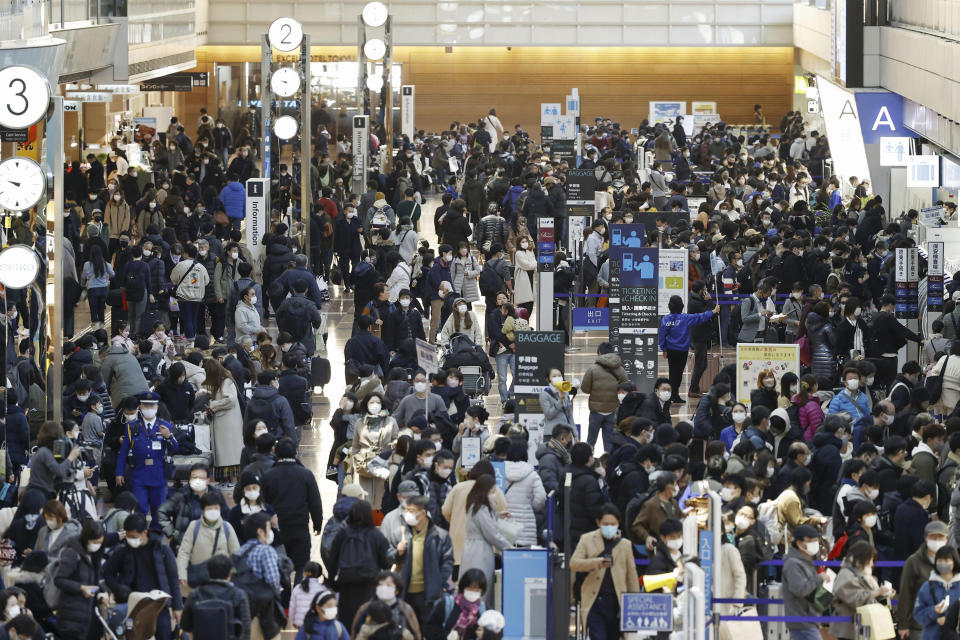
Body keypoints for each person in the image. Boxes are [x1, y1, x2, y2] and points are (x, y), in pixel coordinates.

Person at [103, 513, 182, 640]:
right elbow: (107, 573)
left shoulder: (161, 549)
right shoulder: (123, 551)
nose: (129, 540)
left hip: (158, 605)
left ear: (144, 532)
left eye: (133, 536)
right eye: (127, 536)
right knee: (131, 635)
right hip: (132, 606)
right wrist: (118, 588)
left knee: (164, 634)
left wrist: (177, 606)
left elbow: (173, 578)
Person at [570, 503, 640, 640]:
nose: (609, 527)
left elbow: (631, 575)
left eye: (613, 523)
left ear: (618, 523)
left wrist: (634, 603)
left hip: (617, 602)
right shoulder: (587, 539)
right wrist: (596, 563)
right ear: (598, 522)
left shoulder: (625, 545)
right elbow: (574, 564)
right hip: (594, 600)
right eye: (606, 523)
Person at [262, 438, 324, 581]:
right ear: (295, 453)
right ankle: (298, 592)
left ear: (276, 453)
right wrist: (317, 523)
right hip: (299, 527)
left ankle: (285, 596)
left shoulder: (268, 476)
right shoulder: (306, 474)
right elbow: (315, 501)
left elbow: (264, 503)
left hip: (276, 529)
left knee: (280, 566)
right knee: (302, 565)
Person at [324, 500, 391, 631]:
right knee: (367, 621)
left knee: (347, 622)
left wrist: (332, 582)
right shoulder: (375, 535)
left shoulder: (343, 534)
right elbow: (386, 561)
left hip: (346, 585)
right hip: (369, 585)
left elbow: (332, 560)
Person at [115, 394, 179, 522]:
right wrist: (119, 473)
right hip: (139, 474)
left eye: (152, 405)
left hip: (158, 474)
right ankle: (140, 536)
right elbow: (123, 452)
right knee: (140, 509)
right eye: (146, 405)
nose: (149, 408)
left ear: (157, 407)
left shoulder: (165, 426)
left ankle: (156, 538)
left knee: (159, 510)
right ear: (140, 407)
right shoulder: (132, 427)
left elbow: (175, 449)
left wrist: (169, 437)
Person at [395, 495, 454, 620]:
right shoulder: (401, 533)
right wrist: (397, 552)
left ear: (423, 513)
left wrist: (440, 583)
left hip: (429, 594)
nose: (407, 514)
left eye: (411, 511)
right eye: (406, 511)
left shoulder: (440, 536)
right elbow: (389, 557)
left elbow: (447, 561)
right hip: (406, 593)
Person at [460, 475, 513, 608]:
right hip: (480, 552)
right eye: (492, 491)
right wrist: (509, 547)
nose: (493, 494)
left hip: (472, 550)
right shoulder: (481, 509)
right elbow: (491, 534)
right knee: (481, 587)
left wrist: (498, 515)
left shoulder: (475, 505)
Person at [659, 294, 719, 402]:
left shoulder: (665, 319)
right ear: (681, 306)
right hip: (682, 351)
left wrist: (664, 349)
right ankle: (674, 395)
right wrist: (713, 311)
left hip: (671, 351)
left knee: (673, 372)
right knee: (679, 373)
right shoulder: (685, 318)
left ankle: (673, 395)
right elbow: (700, 316)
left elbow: (662, 335)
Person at [157, 463, 229, 552]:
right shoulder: (181, 494)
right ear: (190, 479)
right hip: (184, 545)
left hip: (211, 544)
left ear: (208, 480)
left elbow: (227, 517)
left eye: (202, 478)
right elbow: (162, 512)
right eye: (194, 477)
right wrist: (172, 534)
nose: (198, 481)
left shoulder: (216, 494)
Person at [829, 541, 893, 640]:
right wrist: (877, 592)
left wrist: (884, 595)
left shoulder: (864, 575)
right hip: (849, 629)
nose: (872, 564)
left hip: (863, 627)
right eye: (870, 559)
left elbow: (871, 598)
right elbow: (856, 599)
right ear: (861, 558)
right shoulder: (846, 574)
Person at [53, 519, 106, 639]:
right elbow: (59, 579)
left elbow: (92, 583)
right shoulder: (72, 552)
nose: (97, 545)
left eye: (100, 542)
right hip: (71, 616)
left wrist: (102, 592)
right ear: (86, 538)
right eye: (94, 542)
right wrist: (81, 588)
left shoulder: (93, 556)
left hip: (89, 616)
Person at [176, 492, 240, 590]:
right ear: (203, 510)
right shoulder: (194, 526)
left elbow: (236, 554)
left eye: (216, 508)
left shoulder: (227, 527)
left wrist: (234, 576)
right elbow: (184, 552)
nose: (213, 511)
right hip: (199, 580)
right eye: (210, 508)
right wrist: (182, 574)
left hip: (222, 581)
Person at [181, 554, 251, 640]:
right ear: (230, 574)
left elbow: (185, 625)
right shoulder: (238, 594)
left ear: (208, 572)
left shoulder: (195, 594)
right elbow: (245, 629)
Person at [900, 521, 950, 639]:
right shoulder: (913, 561)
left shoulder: (953, 560)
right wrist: (903, 624)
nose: (937, 540)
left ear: (947, 539)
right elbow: (905, 593)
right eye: (933, 537)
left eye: (940, 537)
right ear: (926, 538)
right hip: (920, 625)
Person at [580, 342, 628, 453]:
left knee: (591, 442)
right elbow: (627, 389)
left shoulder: (592, 369)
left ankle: (588, 464)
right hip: (612, 411)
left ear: (599, 353)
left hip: (596, 412)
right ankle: (609, 465)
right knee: (609, 443)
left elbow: (585, 390)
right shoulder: (620, 370)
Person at [783, 524, 829, 640]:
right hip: (801, 621)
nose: (815, 545)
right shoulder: (793, 564)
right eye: (811, 541)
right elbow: (800, 590)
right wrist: (819, 578)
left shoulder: (806, 561)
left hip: (809, 620)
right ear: (799, 543)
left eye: (816, 541)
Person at [422, 569, 488, 640]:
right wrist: (446, 636)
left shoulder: (484, 610)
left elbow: (496, 634)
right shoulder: (447, 604)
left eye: (477, 590)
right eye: (470, 588)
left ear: (482, 591)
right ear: (463, 587)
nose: (473, 592)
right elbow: (429, 630)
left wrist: (485, 635)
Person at [914, 546, 960, 640]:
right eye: (940, 560)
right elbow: (918, 614)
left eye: (947, 560)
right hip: (931, 636)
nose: (943, 564)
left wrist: (950, 621)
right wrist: (934, 611)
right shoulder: (927, 587)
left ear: (954, 561)